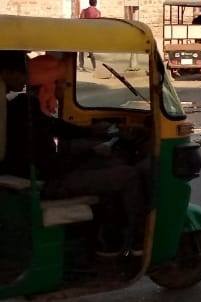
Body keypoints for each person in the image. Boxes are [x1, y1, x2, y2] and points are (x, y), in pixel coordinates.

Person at [0, 51, 149, 255]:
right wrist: (88, 151)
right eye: (22, 72)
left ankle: (108, 237)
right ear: (7, 73)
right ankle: (139, 242)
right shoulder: (18, 110)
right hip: (45, 181)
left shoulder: (19, 105)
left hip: (45, 171)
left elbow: (57, 127)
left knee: (110, 164)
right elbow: (45, 159)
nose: (26, 77)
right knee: (128, 176)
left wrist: (94, 133)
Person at [78, 0, 101, 72]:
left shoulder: (84, 11)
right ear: (95, 3)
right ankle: (94, 67)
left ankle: (81, 66)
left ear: (89, 3)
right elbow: (98, 24)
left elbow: (80, 21)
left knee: (81, 51)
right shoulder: (98, 12)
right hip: (92, 34)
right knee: (91, 51)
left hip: (83, 33)